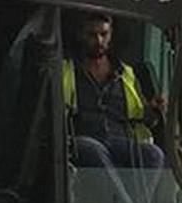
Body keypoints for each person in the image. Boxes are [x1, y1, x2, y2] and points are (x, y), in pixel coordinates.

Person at [61, 11, 164, 174]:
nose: (99, 41)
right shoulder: (67, 71)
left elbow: (146, 118)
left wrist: (155, 109)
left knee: (153, 154)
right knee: (93, 150)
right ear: (80, 35)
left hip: (119, 141)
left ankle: (122, 192)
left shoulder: (126, 74)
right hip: (82, 140)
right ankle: (118, 193)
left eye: (104, 34)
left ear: (111, 34)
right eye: (92, 35)